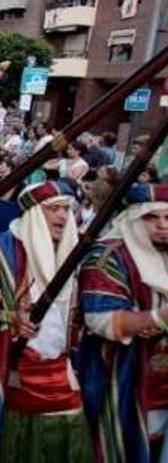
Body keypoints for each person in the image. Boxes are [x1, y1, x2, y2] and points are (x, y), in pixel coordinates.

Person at [0, 181, 94, 462]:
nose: (63, 216)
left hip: (61, 367)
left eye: (66, 209)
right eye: (54, 209)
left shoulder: (76, 252)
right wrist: (5, 314)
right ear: (36, 213)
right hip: (9, 367)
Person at [78, 184, 168, 462]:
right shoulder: (107, 256)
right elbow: (100, 319)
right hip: (124, 374)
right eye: (151, 218)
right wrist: (156, 319)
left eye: (167, 218)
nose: (162, 226)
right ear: (132, 217)